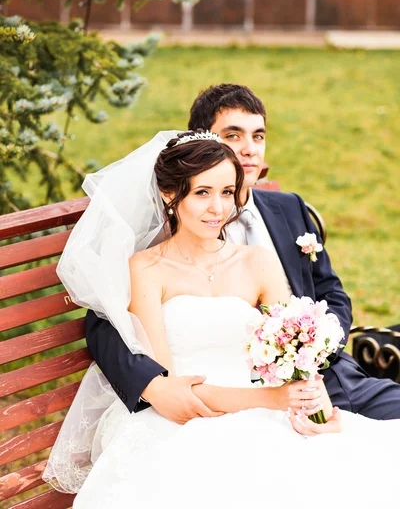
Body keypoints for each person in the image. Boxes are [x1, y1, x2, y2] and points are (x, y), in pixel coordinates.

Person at [45, 131, 399, 509]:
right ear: (169, 194)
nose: (218, 207)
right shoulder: (146, 270)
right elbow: (172, 391)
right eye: (202, 193)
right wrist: (271, 398)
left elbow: (298, 348)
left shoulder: (256, 262)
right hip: (185, 425)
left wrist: (316, 400)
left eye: (227, 192)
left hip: (269, 413)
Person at [86, 84, 400, 421]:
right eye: (233, 136)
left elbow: (330, 293)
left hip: (322, 378)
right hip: (225, 396)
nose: (249, 150)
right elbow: (107, 319)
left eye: (258, 136)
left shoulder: (288, 207)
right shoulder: (157, 237)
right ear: (203, 143)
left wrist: (312, 350)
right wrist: (152, 384)